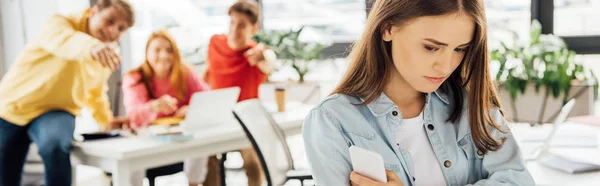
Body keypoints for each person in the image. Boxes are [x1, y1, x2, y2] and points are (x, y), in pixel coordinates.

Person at [302, 0, 535, 186]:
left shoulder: (472, 105)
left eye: (460, 49)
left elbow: (518, 180)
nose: (445, 66)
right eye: (431, 47)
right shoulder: (332, 121)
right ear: (388, 28)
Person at [0, 0, 134, 185]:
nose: (113, 32)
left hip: (56, 111)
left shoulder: (107, 52)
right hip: (13, 106)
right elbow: (64, 40)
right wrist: (91, 47)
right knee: (5, 177)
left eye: (120, 29)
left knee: (54, 145)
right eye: (109, 21)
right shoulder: (59, 24)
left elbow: (95, 91)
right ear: (92, 12)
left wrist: (106, 121)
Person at [202, 1, 276, 186]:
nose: (235, 29)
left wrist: (265, 57)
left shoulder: (254, 54)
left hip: (246, 123)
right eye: (232, 22)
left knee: (253, 164)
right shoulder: (215, 43)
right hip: (217, 120)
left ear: (254, 28)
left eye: (242, 25)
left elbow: (268, 61)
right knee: (205, 161)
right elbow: (207, 74)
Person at [122, 30, 209, 186]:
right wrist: (154, 106)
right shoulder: (135, 78)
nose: (163, 56)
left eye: (169, 50)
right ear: (146, 53)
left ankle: (194, 184)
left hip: (179, 139)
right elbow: (133, 115)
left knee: (200, 144)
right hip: (146, 141)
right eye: (157, 50)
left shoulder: (185, 73)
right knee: (131, 160)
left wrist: (191, 108)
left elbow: (206, 99)